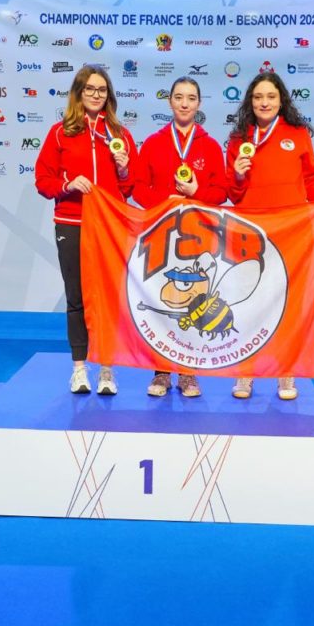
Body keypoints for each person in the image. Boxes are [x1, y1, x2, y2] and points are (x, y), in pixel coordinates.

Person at [224, 71, 314, 401]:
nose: (264, 102)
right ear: (250, 102)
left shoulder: (297, 134)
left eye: (271, 97)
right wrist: (237, 175)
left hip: (290, 232)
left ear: (281, 100)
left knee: (286, 303)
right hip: (249, 232)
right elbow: (232, 193)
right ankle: (245, 371)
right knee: (249, 302)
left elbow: (312, 178)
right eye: (258, 97)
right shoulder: (238, 139)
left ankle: (286, 371)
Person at [35, 65, 136, 395]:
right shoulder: (60, 133)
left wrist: (124, 170)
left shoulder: (119, 135)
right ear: (78, 93)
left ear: (109, 95)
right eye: (90, 89)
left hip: (109, 227)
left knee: (108, 299)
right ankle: (79, 369)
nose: (96, 95)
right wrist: (67, 184)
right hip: (72, 223)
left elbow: (130, 187)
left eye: (102, 90)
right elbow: (43, 181)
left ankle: (107, 369)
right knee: (76, 298)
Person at [132, 77, 226, 398]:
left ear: (199, 103)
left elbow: (222, 192)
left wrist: (197, 192)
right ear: (170, 101)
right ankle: (161, 372)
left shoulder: (210, 146)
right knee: (161, 300)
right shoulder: (154, 143)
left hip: (196, 238)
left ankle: (188, 372)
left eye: (191, 98)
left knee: (194, 304)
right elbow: (137, 187)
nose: (185, 104)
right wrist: (164, 202)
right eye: (179, 97)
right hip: (161, 234)